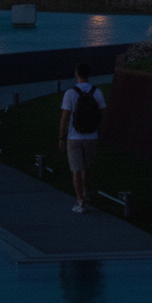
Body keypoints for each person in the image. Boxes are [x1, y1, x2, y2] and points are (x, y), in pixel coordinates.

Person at [59, 62, 106, 213]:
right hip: (91, 136)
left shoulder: (70, 93)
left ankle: (80, 202)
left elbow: (65, 117)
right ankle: (86, 193)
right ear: (89, 74)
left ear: (76, 74)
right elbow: (102, 115)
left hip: (74, 137)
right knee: (86, 168)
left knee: (76, 170)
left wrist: (61, 137)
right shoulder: (97, 92)